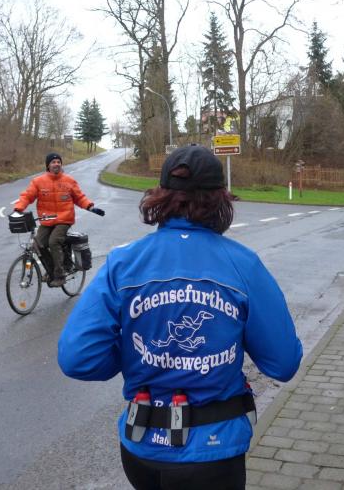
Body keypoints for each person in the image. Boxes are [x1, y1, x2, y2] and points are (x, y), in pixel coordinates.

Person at [57, 145, 302, 490]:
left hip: (142, 452)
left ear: (161, 196)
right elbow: (283, 362)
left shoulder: (123, 263)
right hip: (214, 452)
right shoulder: (243, 264)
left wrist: (137, 357)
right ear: (221, 200)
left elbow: (78, 357)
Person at [14, 152, 104, 287]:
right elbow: (27, 196)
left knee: (54, 241)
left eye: (58, 162)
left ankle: (60, 275)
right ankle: (51, 270)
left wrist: (90, 207)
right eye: (53, 162)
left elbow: (79, 197)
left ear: (61, 164)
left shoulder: (69, 181)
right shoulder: (38, 182)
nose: (56, 164)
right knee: (38, 244)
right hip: (47, 219)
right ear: (48, 165)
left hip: (64, 219)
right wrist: (18, 208)